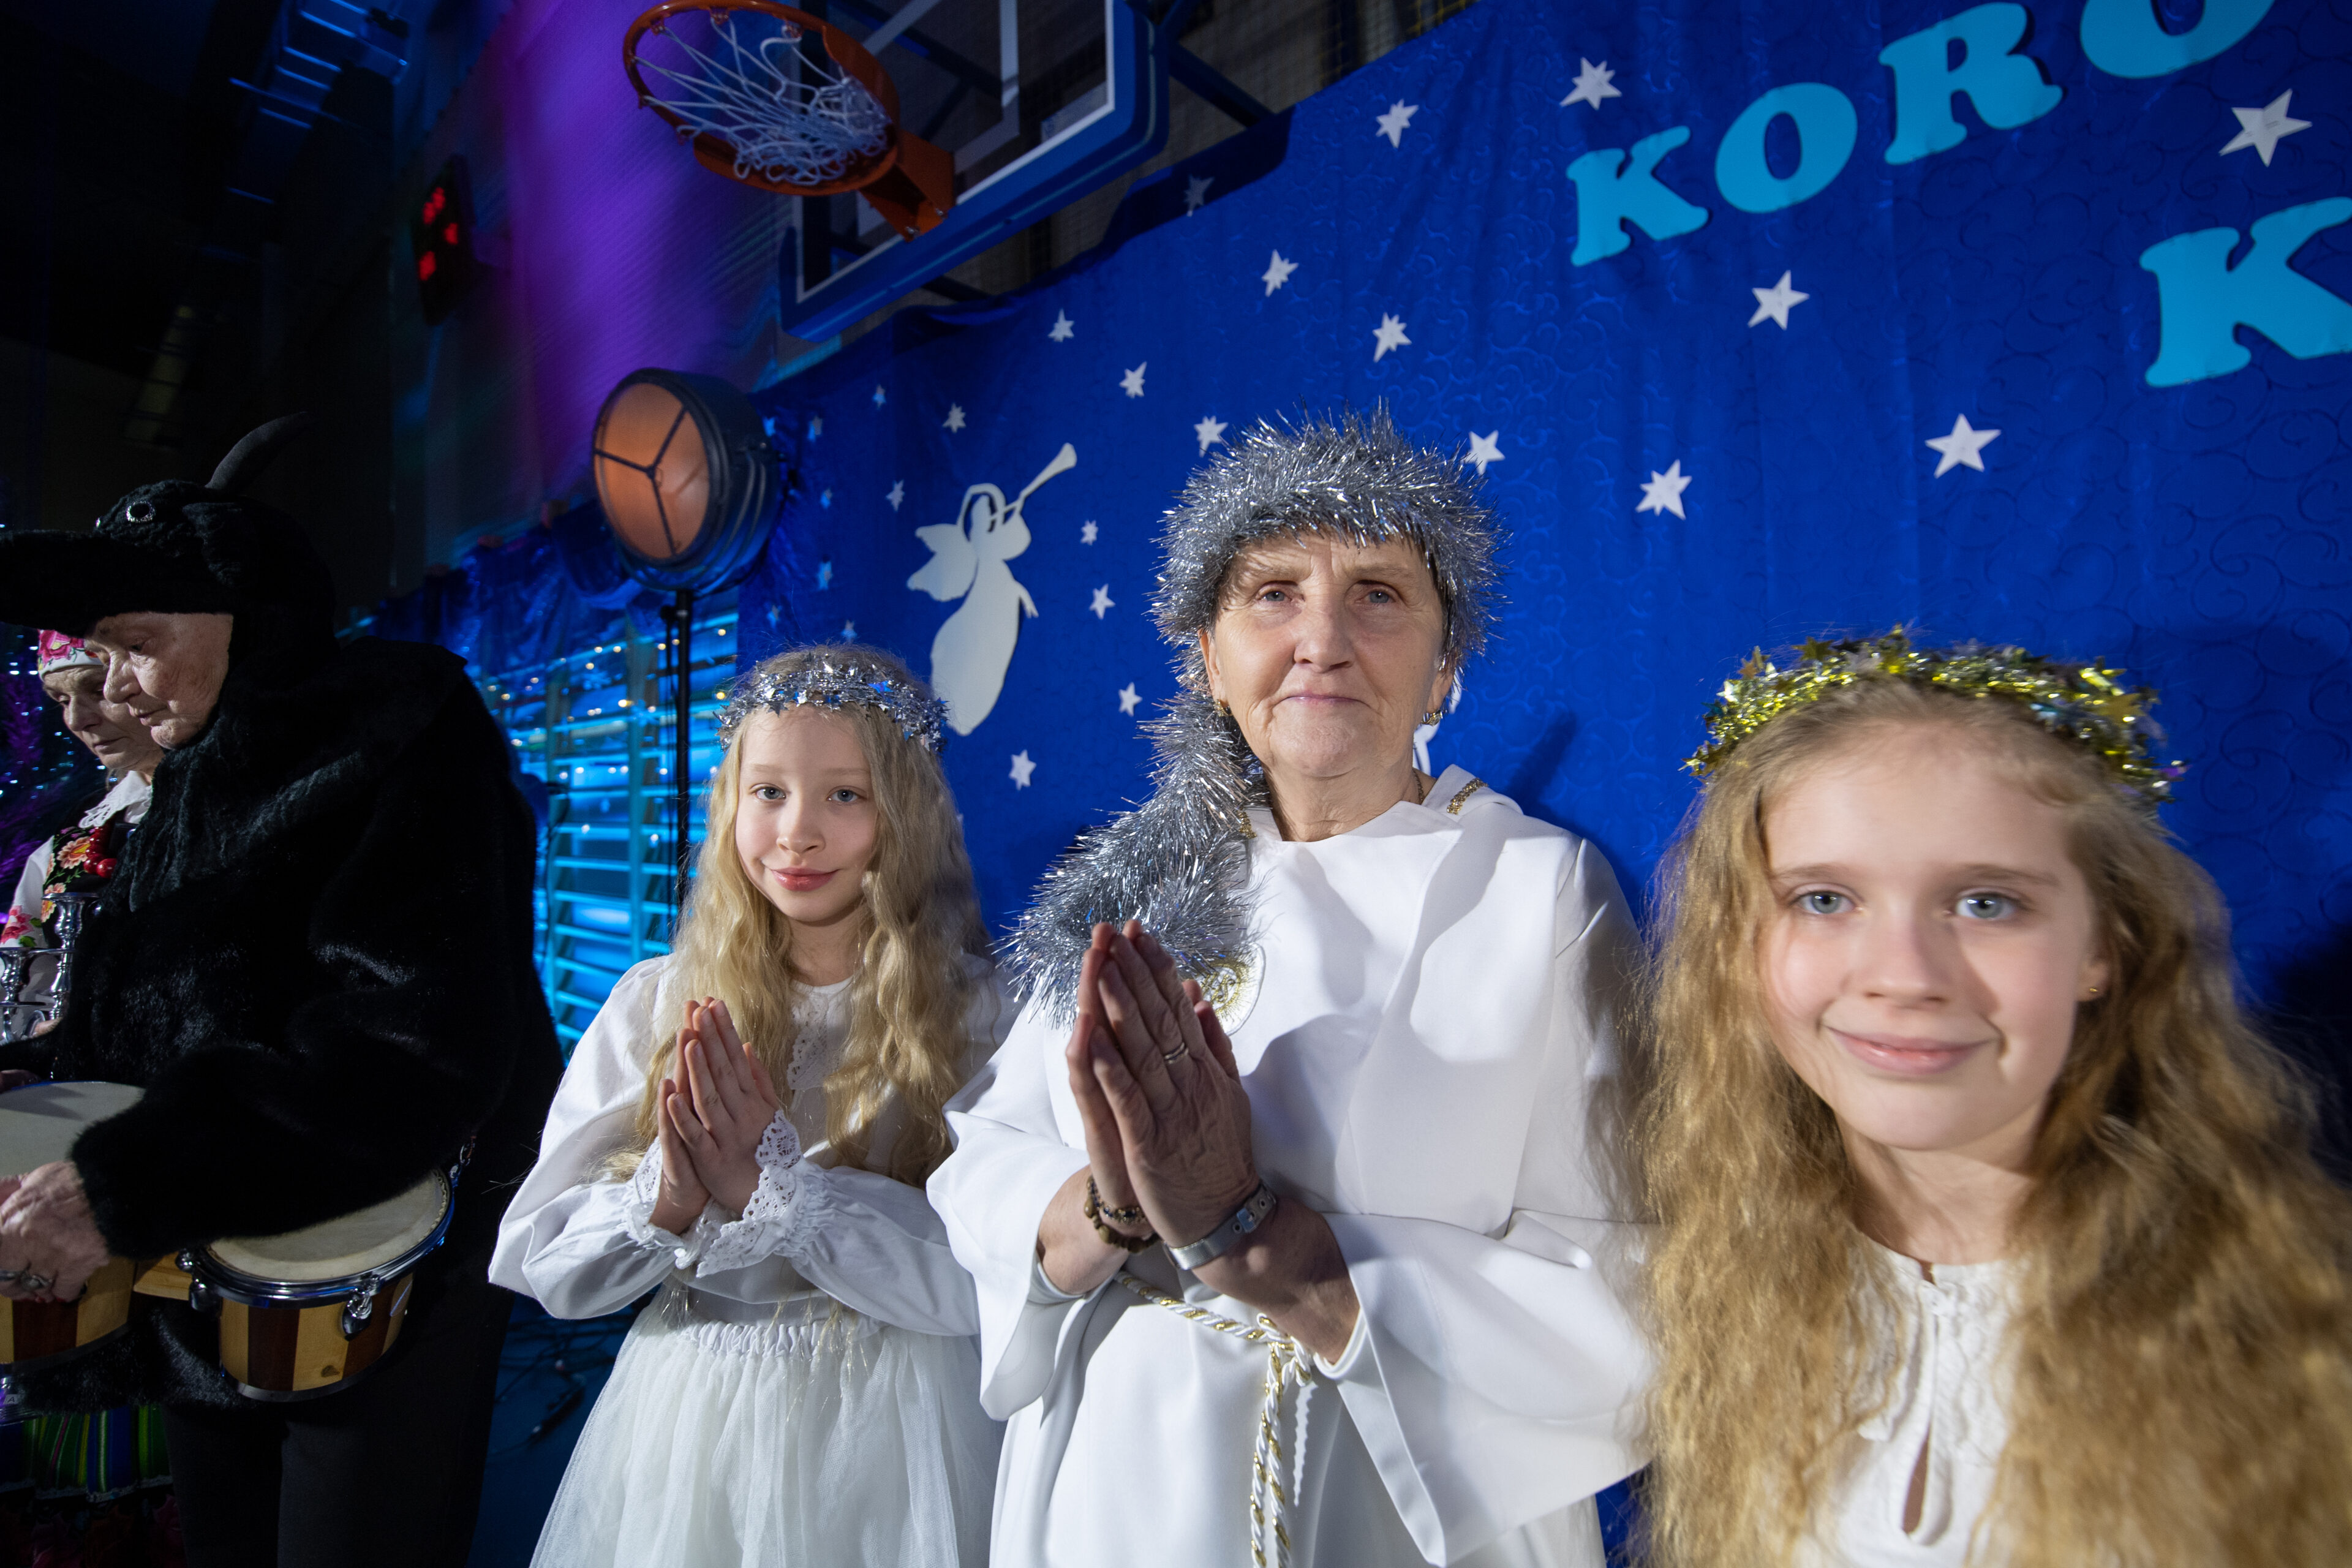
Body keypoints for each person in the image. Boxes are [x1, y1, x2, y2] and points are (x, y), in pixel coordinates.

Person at [929, 412, 1648, 1568]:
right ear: (1209, 662)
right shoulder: (1135, 889)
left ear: (1446, 667)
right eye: (1272, 594)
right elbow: (986, 1164)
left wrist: (1276, 1251)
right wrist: (1111, 1206)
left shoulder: (1537, 891)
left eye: (1378, 596)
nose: (1321, 641)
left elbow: (1622, 1269)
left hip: (1389, 1498)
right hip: (1116, 1483)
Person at [1633, 631, 2352, 1567]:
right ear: (1739, 940)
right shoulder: (1709, 1286)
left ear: (2105, 945)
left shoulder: (2302, 1328)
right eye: (1824, 900)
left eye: (1986, 903)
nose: (1903, 976)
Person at [0, 415, 564, 1567]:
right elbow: (180, 1010)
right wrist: (47, 1083)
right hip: (206, 1249)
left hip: (387, 1268)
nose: (116, 688)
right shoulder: (195, 762)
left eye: (135, 645)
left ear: (243, 614)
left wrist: (126, 1179)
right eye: (100, 654)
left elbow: (409, 1048)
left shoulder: (400, 725)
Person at [492, 644, 1010, 1567]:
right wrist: (672, 1194)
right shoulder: (656, 1003)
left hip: (900, 1427)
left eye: (845, 795)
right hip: (692, 1422)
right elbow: (546, 1265)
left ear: (907, 814)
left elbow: (994, 1280)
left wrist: (778, 1194)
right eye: (768, 791)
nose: (797, 833)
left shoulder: (980, 1017)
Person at [2, 631, 166, 1036]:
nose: (77, 720)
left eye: (98, 689)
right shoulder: (69, 846)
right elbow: (19, 999)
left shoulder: (250, 811)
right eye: (62, 700)